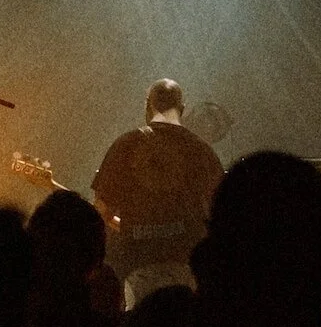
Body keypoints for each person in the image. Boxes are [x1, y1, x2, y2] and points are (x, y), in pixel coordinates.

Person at [91, 78, 223, 309]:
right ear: (182, 109)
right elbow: (224, 216)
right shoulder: (202, 150)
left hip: (139, 269)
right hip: (189, 271)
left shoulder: (126, 144)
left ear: (148, 106)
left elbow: (99, 216)